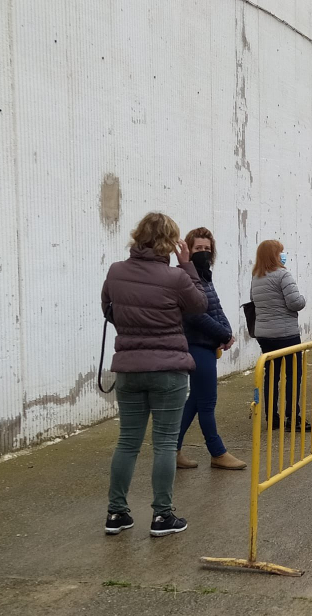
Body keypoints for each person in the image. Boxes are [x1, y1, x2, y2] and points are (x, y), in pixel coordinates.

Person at [101, 212, 207, 538]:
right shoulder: (176, 277)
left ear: (137, 235)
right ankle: (162, 516)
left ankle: (116, 514)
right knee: (163, 444)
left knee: (128, 443)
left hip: (129, 369)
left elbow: (108, 309)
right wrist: (188, 265)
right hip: (168, 371)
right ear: (171, 242)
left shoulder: (116, 271)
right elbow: (200, 305)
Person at [175, 228, 246, 471]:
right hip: (195, 345)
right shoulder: (183, 278)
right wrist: (223, 334)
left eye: (207, 249)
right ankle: (217, 453)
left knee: (195, 400)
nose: (204, 253)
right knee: (207, 402)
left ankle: (172, 448)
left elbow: (215, 307)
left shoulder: (204, 276)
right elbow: (195, 315)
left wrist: (226, 332)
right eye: (198, 249)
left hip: (207, 344)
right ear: (187, 250)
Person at [251, 239, 308, 431]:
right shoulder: (283, 275)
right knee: (292, 376)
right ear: (275, 255)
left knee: (271, 376)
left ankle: (272, 417)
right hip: (286, 334)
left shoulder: (256, 277)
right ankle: (293, 417)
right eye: (281, 252)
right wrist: (303, 299)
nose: (283, 255)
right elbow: (295, 303)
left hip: (264, 335)